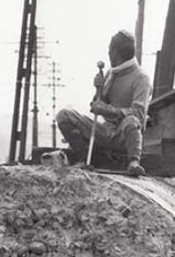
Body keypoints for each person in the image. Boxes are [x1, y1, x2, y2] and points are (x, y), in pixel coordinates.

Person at [56, 29, 152, 176]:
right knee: (64, 115)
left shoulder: (141, 78)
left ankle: (133, 162)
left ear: (115, 53)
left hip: (124, 136)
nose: (108, 54)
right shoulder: (110, 73)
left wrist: (108, 110)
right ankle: (85, 157)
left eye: (109, 50)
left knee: (131, 121)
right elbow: (97, 106)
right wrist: (98, 89)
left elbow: (138, 113)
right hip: (105, 132)